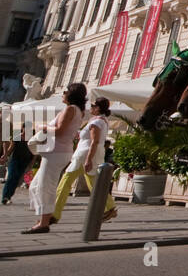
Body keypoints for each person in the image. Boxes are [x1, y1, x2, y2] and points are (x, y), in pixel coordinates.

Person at [23, 83, 85, 233]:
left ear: (71, 94)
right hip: (58, 151)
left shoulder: (71, 109)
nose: (63, 93)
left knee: (45, 186)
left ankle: (44, 222)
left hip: (56, 152)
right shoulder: (78, 111)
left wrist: (43, 127)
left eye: (65, 91)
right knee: (36, 186)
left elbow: (59, 131)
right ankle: (44, 217)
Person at [51, 97, 117, 227]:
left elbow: (95, 141)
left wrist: (88, 159)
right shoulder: (102, 121)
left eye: (92, 105)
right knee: (93, 184)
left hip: (85, 155)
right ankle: (110, 208)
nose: (90, 107)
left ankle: (54, 213)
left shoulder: (96, 122)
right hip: (92, 155)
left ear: (98, 108)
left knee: (66, 182)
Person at [1, 136, 34, 204]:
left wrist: (32, 163)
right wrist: (5, 155)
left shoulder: (32, 138)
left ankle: (9, 196)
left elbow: (34, 152)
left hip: (25, 160)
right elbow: (10, 149)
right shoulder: (17, 137)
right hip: (14, 159)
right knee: (11, 176)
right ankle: (5, 196)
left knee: (17, 179)